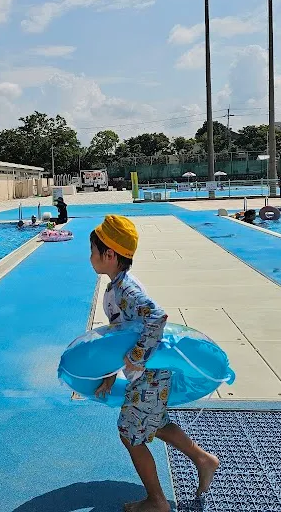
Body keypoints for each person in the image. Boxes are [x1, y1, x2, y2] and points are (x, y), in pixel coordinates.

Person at [90, 215, 219, 509]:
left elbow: (157, 316)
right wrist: (112, 373)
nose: (91, 258)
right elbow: (122, 335)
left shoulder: (126, 290)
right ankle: (203, 459)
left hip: (148, 376)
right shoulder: (119, 285)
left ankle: (157, 501)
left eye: (93, 251)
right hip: (151, 374)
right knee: (157, 423)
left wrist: (137, 358)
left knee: (130, 435)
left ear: (109, 255)